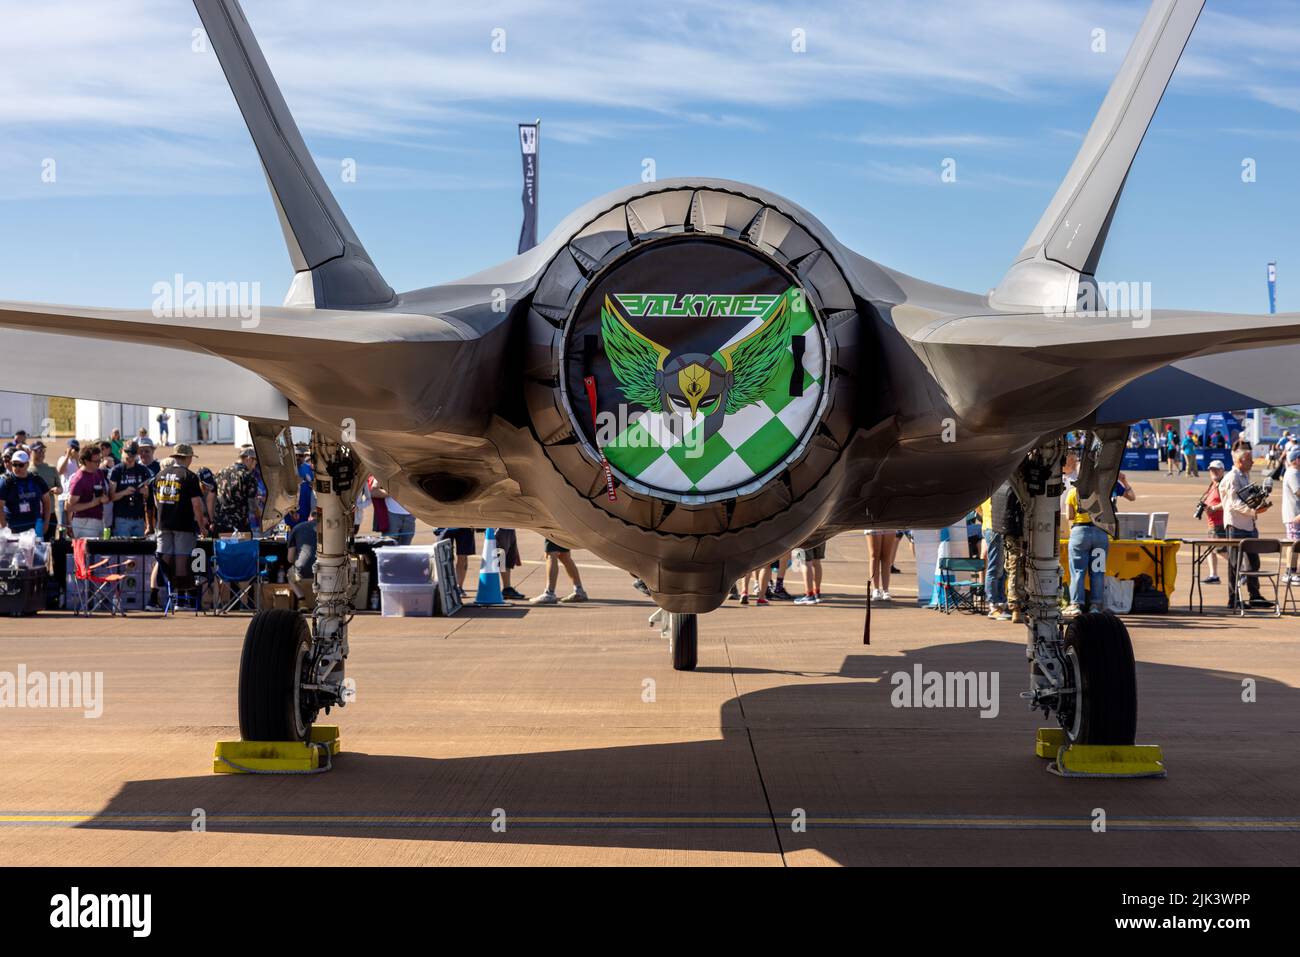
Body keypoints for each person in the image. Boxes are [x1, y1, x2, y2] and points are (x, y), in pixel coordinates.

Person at [151, 444, 207, 610]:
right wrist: (202, 526)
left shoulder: (159, 475)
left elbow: (156, 502)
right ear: (187, 458)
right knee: (182, 561)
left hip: (163, 524)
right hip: (183, 524)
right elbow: (196, 504)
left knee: (164, 559)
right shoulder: (189, 476)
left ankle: (166, 592)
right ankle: (180, 600)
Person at [1221, 446, 1272, 610]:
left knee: (1253, 562)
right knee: (1235, 564)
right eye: (1249, 459)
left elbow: (1247, 497)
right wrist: (1254, 510)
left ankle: (1254, 596)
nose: (1252, 462)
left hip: (1249, 523)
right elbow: (1234, 503)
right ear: (1240, 461)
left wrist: (1259, 501)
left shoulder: (1244, 475)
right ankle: (1233, 598)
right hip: (1235, 524)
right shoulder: (1232, 477)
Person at [1064, 483, 1108, 617]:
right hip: (1100, 532)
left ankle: (1076, 604)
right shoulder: (1102, 492)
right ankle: (1096, 605)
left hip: (1080, 533)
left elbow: (1069, 516)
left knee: (1077, 571)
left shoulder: (1072, 492)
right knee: (1098, 571)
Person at [990, 481, 1026, 622]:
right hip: (1017, 533)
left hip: (1007, 533)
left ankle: (1016, 607)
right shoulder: (1015, 488)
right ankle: (1016, 607)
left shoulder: (1000, 486)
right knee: (1016, 570)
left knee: (1012, 569)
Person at [0, 450, 51, 534]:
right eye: (14, 464)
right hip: (13, 530)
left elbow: (47, 501)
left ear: (27, 464)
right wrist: (4, 527)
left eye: (20, 465)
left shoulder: (37, 480)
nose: (17, 468)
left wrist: (46, 523)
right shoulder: (5, 481)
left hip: (35, 528)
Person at [107, 441, 151, 537]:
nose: (130, 457)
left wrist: (145, 492)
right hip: (122, 518)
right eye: (127, 454)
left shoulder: (143, 470)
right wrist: (124, 492)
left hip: (139, 518)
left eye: (133, 454)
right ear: (122, 451)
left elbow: (148, 497)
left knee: (138, 550)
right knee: (123, 549)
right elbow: (111, 497)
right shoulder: (116, 470)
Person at [65, 445, 109, 539]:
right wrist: (93, 503)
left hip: (99, 519)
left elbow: (103, 494)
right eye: (95, 461)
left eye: (99, 460)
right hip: (84, 522)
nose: (98, 464)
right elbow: (69, 506)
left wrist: (104, 498)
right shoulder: (78, 479)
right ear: (85, 461)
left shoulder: (99, 472)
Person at [213, 447, 260, 534]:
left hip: (220, 523)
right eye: (255, 462)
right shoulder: (247, 476)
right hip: (238, 525)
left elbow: (212, 497)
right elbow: (252, 504)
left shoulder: (221, 472)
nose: (255, 466)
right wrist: (260, 516)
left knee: (220, 547)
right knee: (243, 547)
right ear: (248, 459)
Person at [981, 489, 1010, 620]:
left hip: (992, 526)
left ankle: (999, 602)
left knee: (1001, 568)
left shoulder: (987, 488)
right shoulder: (996, 489)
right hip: (994, 527)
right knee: (996, 568)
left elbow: (977, 508)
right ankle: (993, 605)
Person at [530, 539, 588, 604]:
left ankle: (549, 593)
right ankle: (579, 590)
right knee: (564, 555)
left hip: (554, 530)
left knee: (551, 554)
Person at [1197, 460, 1227, 584]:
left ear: (1222, 471)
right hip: (1212, 522)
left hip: (1219, 523)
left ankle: (1241, 570)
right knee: (1211, 549)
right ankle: (1213, 575)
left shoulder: (1223, 485)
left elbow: (1227, 503)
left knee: (1221, 550)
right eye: (1211, 470)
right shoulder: (1213, 484)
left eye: (1216, 469)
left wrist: (1213, 508)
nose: (1213, 472)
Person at [286, 506, 319, 607]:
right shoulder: (327, 529)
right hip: (323, 570)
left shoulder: (297, 528)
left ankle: (302, 600)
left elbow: (290, 559)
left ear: (309, 517)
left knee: (289, 574)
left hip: (302, 571)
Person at [434, 528, 477, 595]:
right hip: (445, 525)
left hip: (464, 525)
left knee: (463, 556)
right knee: (443, 555)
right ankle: (446, 587)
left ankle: (459, 587)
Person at [1282, 448, 1300, 584]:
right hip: (1294, 514)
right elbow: (1298, 491)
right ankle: (1290, 572)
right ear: (1296, 460)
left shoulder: (1295, 472)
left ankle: (1291, 572)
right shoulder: (1293, 473)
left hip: (1295, 514)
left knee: (1294, 543)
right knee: (1294, 543)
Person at [54, 439, 80, 530]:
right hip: (64, 496)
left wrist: (77, 460)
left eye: (77, 449)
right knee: (63, 524)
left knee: (74, 524)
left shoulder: (78, 461)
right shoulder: (62, 459)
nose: (75, 450)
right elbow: (60, 471)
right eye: (73, 448)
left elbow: (81, 473)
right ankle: (62, 540)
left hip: (74, 496)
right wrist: (68, 455)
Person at [494, 528, 526, 600]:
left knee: (508, 559)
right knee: (502, 559)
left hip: (510, 528)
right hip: (501, 528)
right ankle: (505, 588)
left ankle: (507, 587)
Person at [866, 529, 898, 601]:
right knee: (874, 555)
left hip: (888, 523)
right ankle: (876, 589)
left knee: (886, 556)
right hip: (873, 522)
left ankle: (886, 590)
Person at [793, 540, 825, 605]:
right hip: (821, 535)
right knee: (817, 562)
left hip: (806, 536)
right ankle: (816, 592)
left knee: (805, 563)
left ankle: (809, 595)